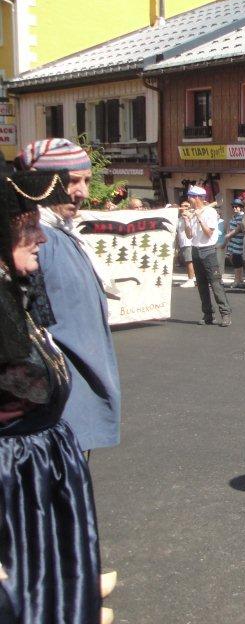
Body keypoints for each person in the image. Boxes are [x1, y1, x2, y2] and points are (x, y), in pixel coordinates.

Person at [0, 167, 110, 624]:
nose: (40, 238)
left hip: (37, 460)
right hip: (15, 468)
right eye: (27, 228)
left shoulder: (13, 288)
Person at [16, 139, 122, 456]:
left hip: (70, 409)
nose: (82, 192)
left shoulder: (61, 234)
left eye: (86, 181)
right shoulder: (32, 242)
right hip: (50, 416)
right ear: (42, 184)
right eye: (73, 181)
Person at [182, 185, 231, 327]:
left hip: (208, 250)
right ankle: (208, 314)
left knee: (215, 284)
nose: (189, 199)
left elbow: (208, 233)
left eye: (191, 196)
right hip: (196, 249)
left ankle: (225, 314)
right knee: (201, 285)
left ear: (197, 198)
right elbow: (189, 235)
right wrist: (187, 222)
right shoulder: (192, 212)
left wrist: (199, 218)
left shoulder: (210, 212)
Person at [224, 199, 245, 288]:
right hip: (232, 241)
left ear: (240, 207)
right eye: (233, 206)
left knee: (237, 259)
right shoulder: (234, 216)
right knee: (233, 259)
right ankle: (239, 278)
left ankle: (237, 280)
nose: (234, 208)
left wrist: (229, 235)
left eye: (236, 206)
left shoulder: (241, 216)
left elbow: (238, 228)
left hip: (238, 241)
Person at [175, 200, 196, 288]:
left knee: (189, 261)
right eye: (182, 206)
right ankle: (193, 278)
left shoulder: (192, 217)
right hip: (183, 243)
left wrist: (187, 217)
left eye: (186, 206)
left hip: (189, 242)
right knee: (188, 261)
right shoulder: (179, 219)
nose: (184, 208)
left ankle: (191, 280)